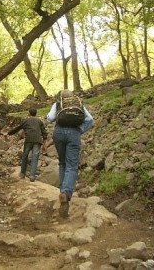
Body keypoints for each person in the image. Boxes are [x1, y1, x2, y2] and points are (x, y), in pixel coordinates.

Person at [47, 89, 93, 218]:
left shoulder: (57, 104)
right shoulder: (78, 104)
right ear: (72, 97)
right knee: (72, 165)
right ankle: (66, 193)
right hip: (74, 133)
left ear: (61, 97)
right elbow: (90, 119)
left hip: (59, 133)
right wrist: (80, 130)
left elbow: (50, 118)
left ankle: (62, 192)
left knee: (62, 163)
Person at [7, 108, 47, 182]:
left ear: (29, 113)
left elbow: (18, 128)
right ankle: (32, 176)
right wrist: (44, 143)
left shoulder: (26, 120)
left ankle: (22, 174)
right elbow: (44, 132)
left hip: (29, 139)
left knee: (25, 156)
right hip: (38, 140)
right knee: (35, 158)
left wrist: (9, 133)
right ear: (36, 113)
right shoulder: (39, 121)